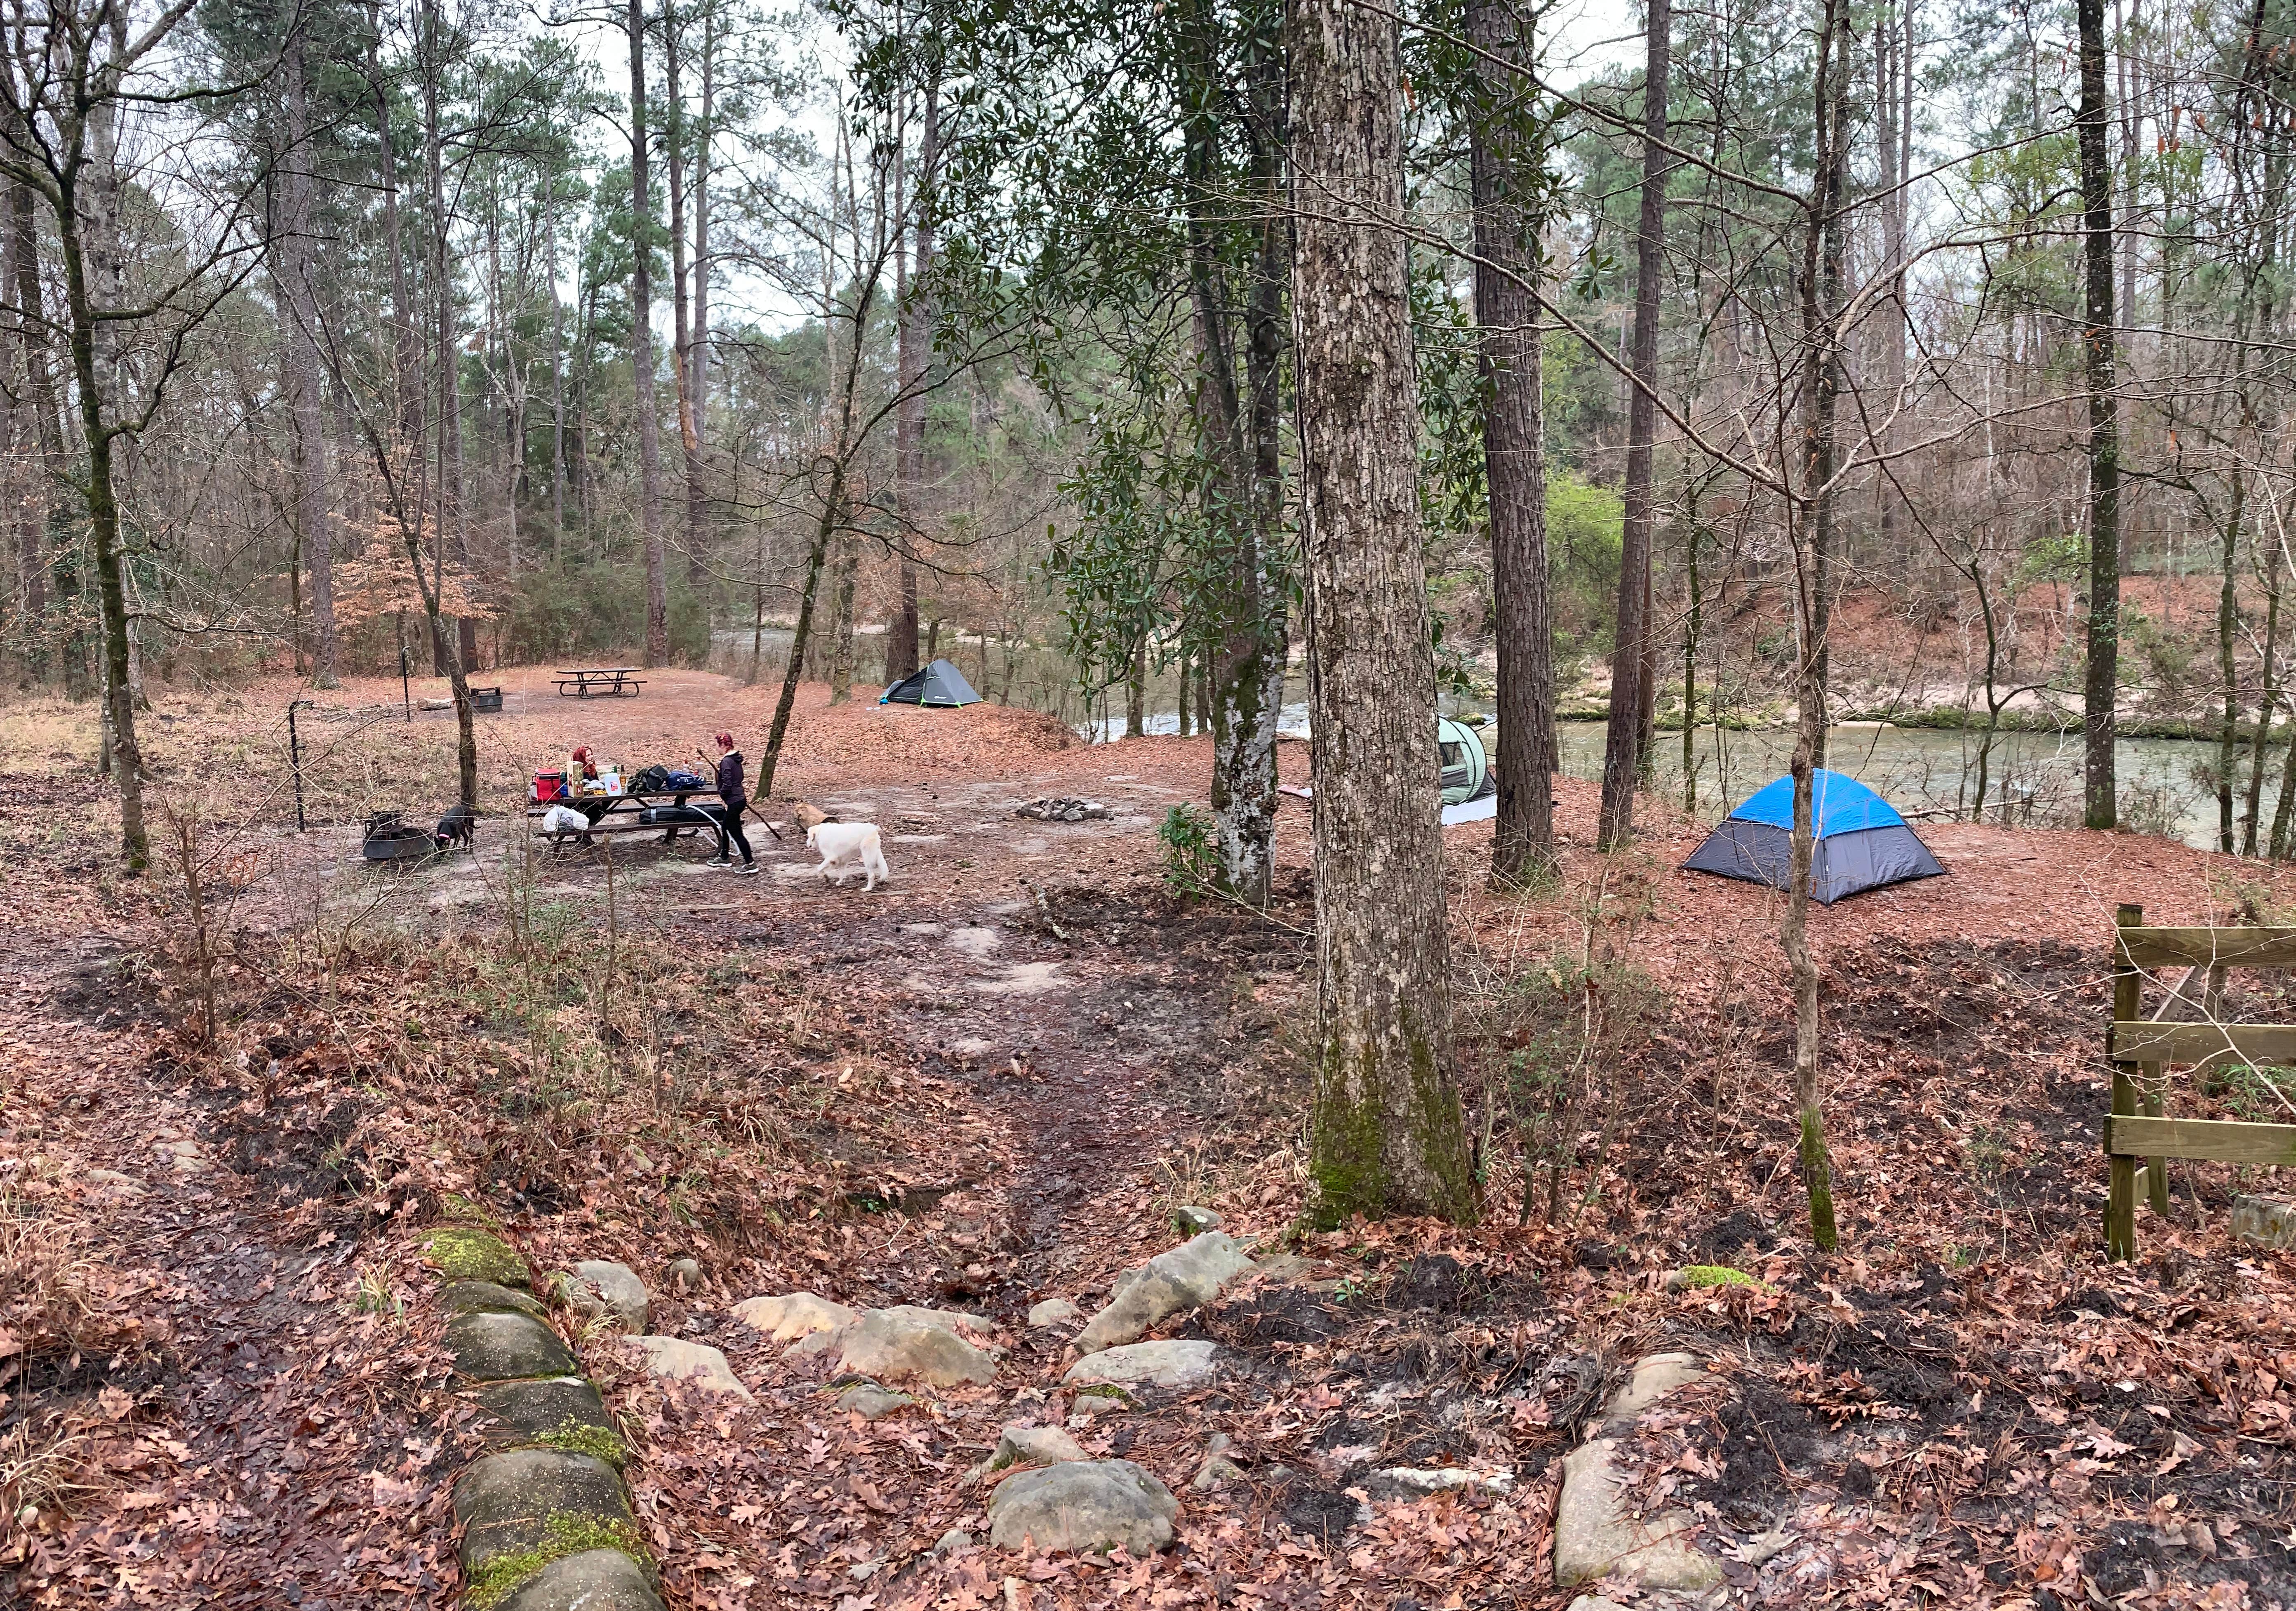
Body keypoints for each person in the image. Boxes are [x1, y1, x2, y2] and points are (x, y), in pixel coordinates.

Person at [701, 731, 756, 874]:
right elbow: (740, 777)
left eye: (718, 746)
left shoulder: (726, 761)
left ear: (725, 746)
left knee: (736, 833)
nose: (717, 749)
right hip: (739, 799)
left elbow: (727, 783)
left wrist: (722, 793)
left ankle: (750, 863)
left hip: (735, 801)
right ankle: (724, 857)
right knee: (725, 827)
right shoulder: (736, 759)